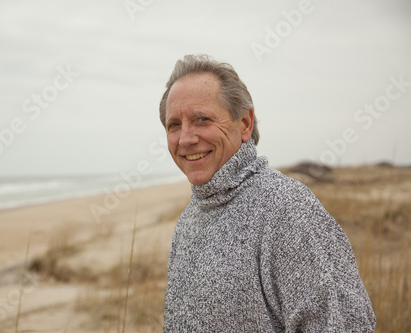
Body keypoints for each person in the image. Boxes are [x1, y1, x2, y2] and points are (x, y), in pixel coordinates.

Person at [159, 54, 376, 332]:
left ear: (245, 124)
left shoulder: (288, 209)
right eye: (174, 124)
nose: (186, 138)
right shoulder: (189, 219)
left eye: (202, 119)